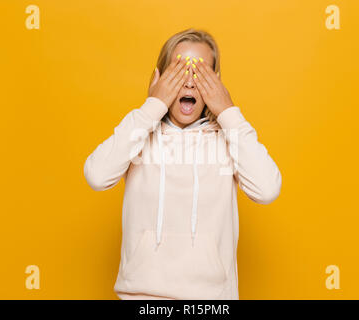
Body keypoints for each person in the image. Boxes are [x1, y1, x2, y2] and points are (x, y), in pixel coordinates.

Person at [83, 28, 282, 300]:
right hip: (141, 299)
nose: (188, 84)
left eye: (200, 74)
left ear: (216, 83)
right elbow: (97, 175)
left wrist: (227, 112)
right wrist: (151, 106)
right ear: (159, 79)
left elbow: (267, 189)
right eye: (178, 73)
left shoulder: (227, 141)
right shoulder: (138, 134)